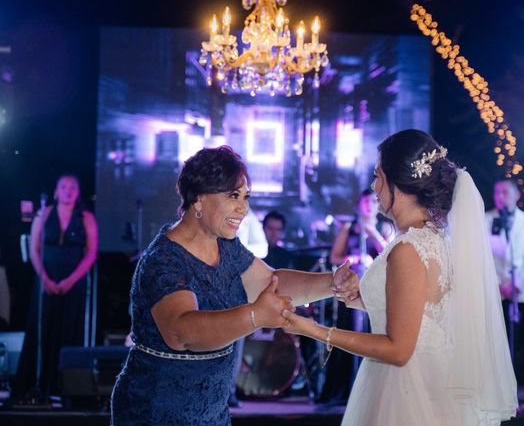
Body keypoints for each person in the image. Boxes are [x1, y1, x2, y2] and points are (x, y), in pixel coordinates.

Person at [283, 129, 517, 425]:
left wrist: (314, 330)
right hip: (429, 379)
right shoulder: (431, 238)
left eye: (378, 177)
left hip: (407, 388)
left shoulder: (408, 248)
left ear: (401, 186)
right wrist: (357, 297)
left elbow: (398, 349)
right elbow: (419, 310)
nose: (374, 186)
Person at [110, 146, 359, 425]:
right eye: (233, 196)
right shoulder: (163, 260)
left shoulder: (226, 246)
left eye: (245, 197)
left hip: (212, 413)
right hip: (156, 411)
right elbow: (182, 332)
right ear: (199, 200)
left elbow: (271, 283)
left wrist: (332, 283)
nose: (244, 208)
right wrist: (255, 316)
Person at [13, 174, 98, 400]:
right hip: (46, 280)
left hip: (74, 281)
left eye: (72, 188)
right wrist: (45, 279)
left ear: (78, 192)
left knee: (69, 329)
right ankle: (35, 384)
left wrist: (70, 281)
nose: (68, 191)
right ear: (56, 191)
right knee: (42, 329)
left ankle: (64, 388)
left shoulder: (86, 217)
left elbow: (90, 254)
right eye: (63, 187)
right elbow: (34, 250)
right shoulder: (44, 213)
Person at [318, 189, 393, 405]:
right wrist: (350, 257)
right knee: (350, 333)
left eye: (374, 201)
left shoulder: (384, 227)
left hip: (375, 289)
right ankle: (345, 389)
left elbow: (390, 255)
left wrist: (373, 234)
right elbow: (335, 256)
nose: (370, 205)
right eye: (366, 202)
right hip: (351, 290)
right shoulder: (349, 229)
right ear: (359, 204)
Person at [485, 178, 524, 379]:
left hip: (518, 290)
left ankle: (514, 386)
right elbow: (481, 257)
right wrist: (499, 284)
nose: (500, 197)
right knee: (492, 341)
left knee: (517, 339)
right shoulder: (485, 219)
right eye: (496, 193)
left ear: (516, 195)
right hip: (493, 290)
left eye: (505, 192)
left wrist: (516, 284)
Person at [229, 207, 268, 407]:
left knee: (237, 339)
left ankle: (230, 392)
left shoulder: (249, 216)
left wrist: (239, 250)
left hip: (238, 284)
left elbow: (263, 247)